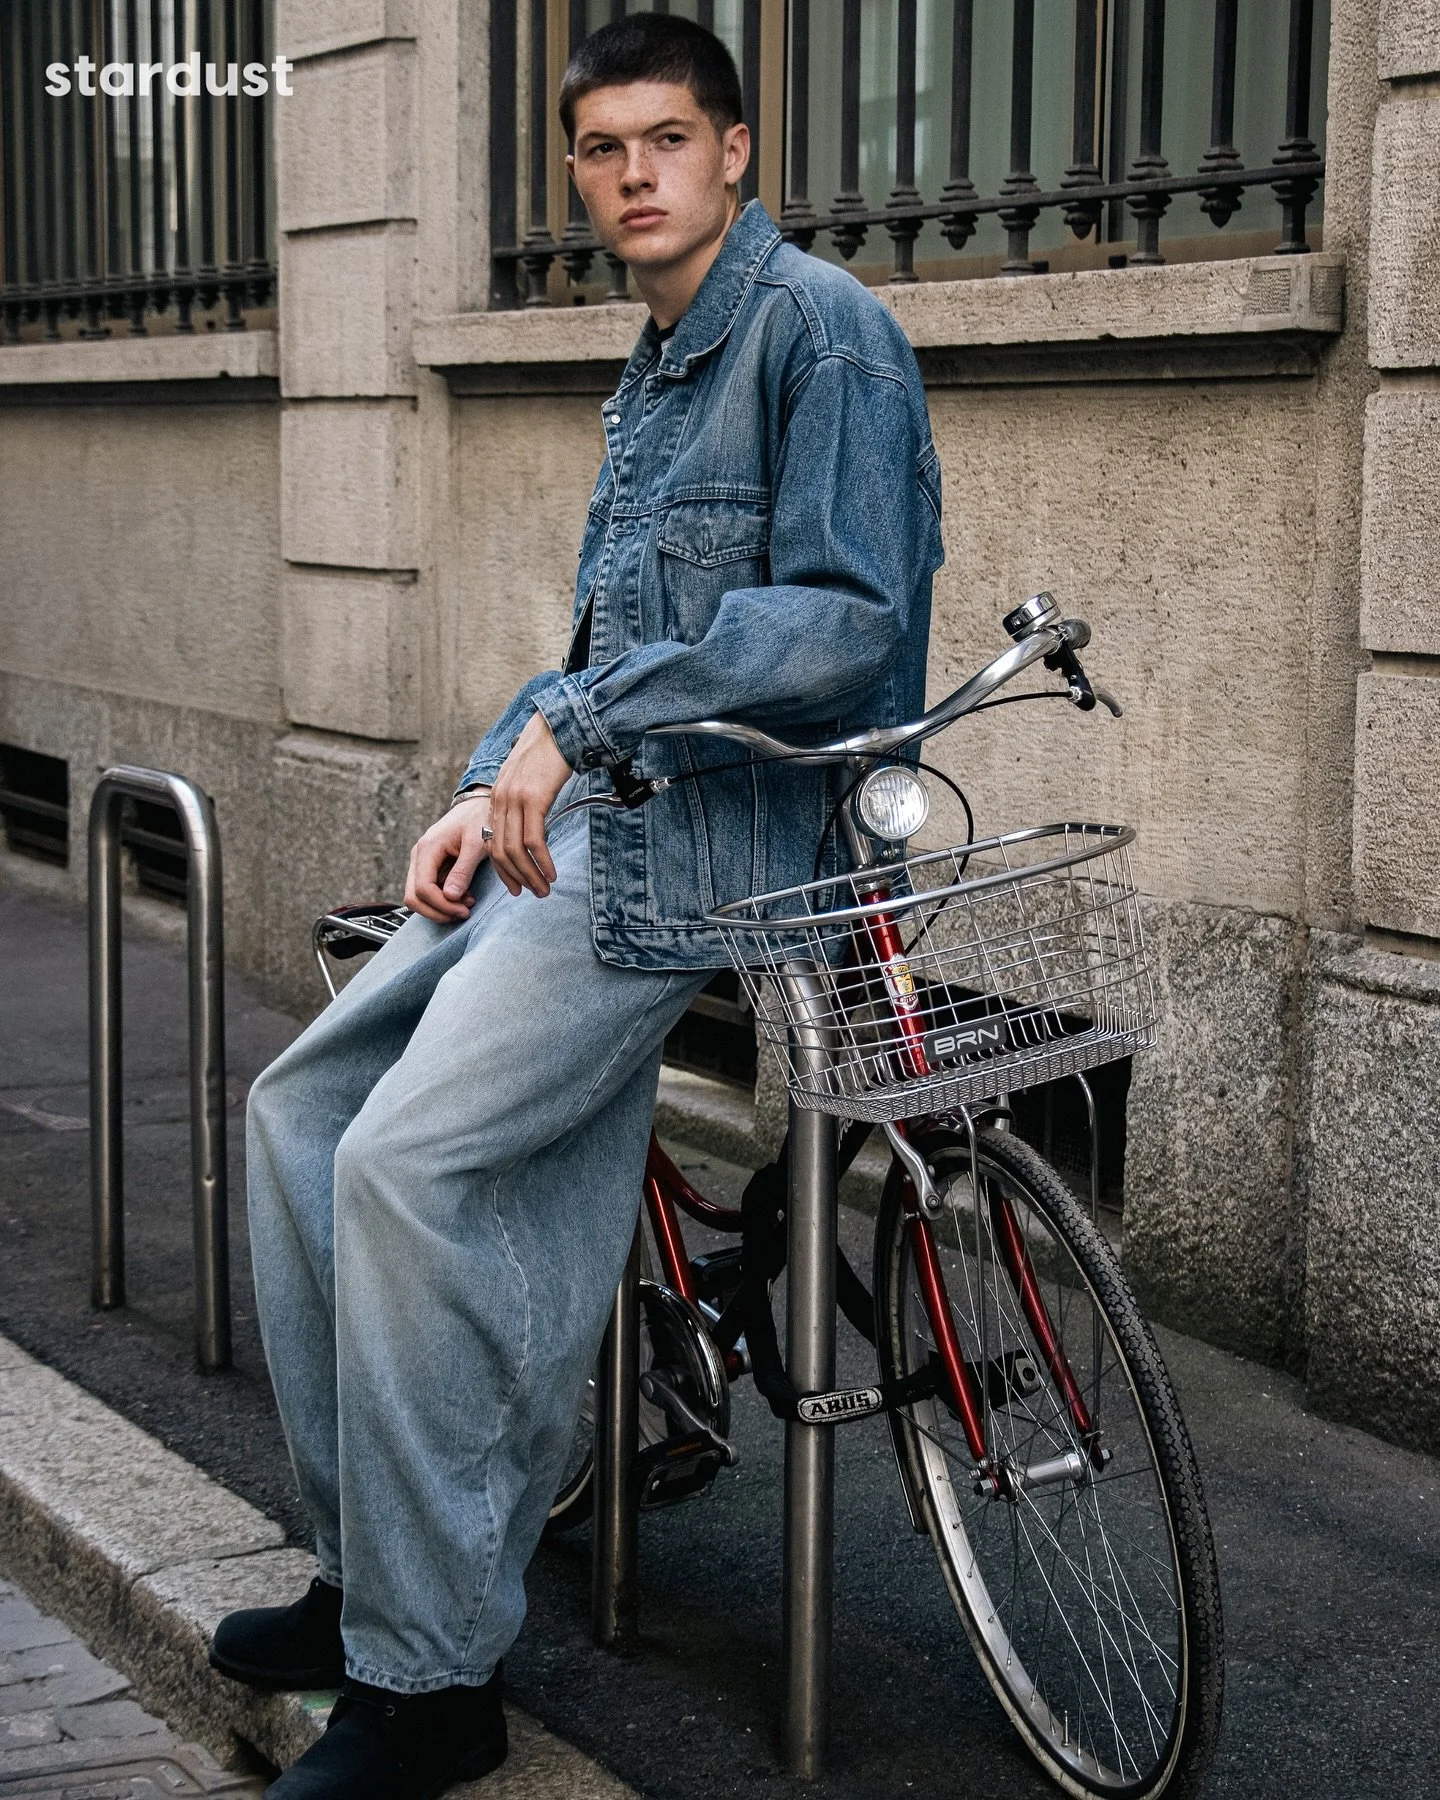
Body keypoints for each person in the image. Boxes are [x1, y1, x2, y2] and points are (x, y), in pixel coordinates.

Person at [211, 14, 943, 1798]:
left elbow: (843, 620)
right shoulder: (661, 355)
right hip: (596, 828)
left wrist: (581, 731)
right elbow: (598, 649)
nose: (633, 174)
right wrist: (486, 782)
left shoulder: (817, 332)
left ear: (738, 149)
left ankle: (433, 1678)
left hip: (720, 853)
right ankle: (372, 1571)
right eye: (602, 148)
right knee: (300, 1112)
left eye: (666, 141)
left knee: (411, 1169)